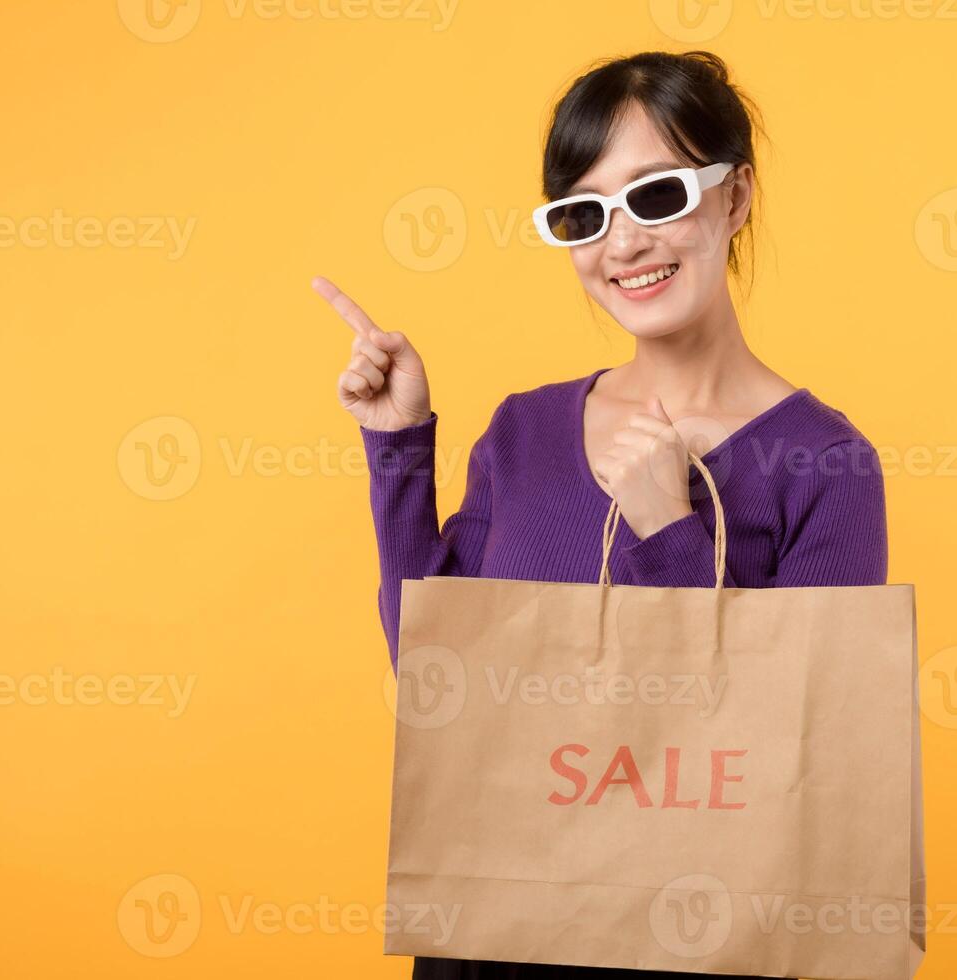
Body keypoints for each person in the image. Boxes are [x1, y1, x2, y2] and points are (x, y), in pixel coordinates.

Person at [314, 49, 885, 980]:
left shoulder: (826, 461)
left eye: (657, 196)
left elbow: (800, 758)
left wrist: (669, 528)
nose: (622, 244)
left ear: (736, 198)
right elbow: (437, 681)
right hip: (495, 926)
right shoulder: (525, 429)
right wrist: (399, 448)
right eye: (585, 213)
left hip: (705, 944)